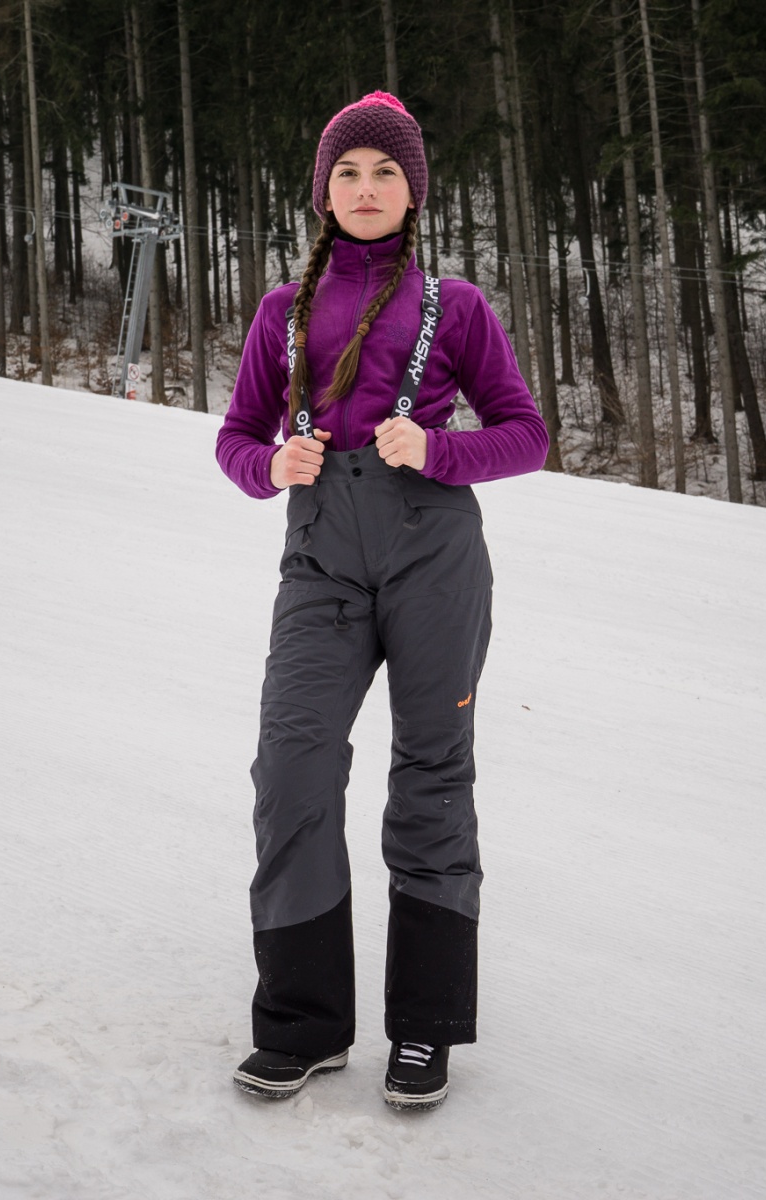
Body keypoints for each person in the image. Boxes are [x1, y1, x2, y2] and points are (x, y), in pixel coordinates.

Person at [215, 91, 547, 1112]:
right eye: (349, 173)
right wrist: (272, 465)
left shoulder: (459, 305)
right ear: (325, 192)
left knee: (432, 775)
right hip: (321, 559)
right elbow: (236, 438)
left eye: (386, 172)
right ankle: (304, 1025)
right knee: (293, 766)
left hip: (433, 555)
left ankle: (425, 1028)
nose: (366, 189)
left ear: (413, 191)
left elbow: (526, 434)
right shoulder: (283, 310)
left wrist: (439, 448)